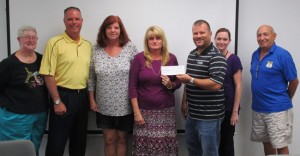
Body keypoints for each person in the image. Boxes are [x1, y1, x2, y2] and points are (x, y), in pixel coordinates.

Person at [39, 6, 92, 156]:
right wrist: (57, 101)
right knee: (57, 143)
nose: (74, 22)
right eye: (70, 19)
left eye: (77, 19)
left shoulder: (88, 45)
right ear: (64, 22)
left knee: (79, 143)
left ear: (82, 21)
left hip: (82, 98)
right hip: (62, 97)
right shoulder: (54, 43)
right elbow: (48, 74)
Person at [88, 15, 138, 156]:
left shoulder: (130, 47)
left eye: (116, 27)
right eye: (109, 27)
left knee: (122, 140)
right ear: (103, 30)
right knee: (109, 140)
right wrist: (91, 100)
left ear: (121, 30)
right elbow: (91, 77)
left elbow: (136, 76)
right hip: (103, 105)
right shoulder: (96, 49)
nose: (113, 30)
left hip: (126, 105)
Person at [176, 20, 227, 156]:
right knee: (192, 149)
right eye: (195, 33)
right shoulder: (191, 55)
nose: (198, 36)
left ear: (210, 34)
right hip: (192, 114)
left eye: (202, 32)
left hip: (209, 117)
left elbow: (216, 84)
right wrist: (184, 102)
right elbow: (188, 82)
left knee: (210, 152)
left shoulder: (217, 57)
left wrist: (191, 79)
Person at [129, 25, 182, 156]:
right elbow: (132, 87)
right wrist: (136, 113)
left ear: (163, 40)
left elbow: (180, 81)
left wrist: (171, 84)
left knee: (164, 149)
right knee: (144, 149)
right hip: (143, 113)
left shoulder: (172, 58)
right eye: (151, 38)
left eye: (158, 38)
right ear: (146, 41)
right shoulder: (139, 59)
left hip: (166, 112)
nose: (154, 41)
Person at [250, 25, 299, 156]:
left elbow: (294, 81)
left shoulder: (282, 55)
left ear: (274, 36)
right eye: (259, 35)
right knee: (267, 143)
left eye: (265, 34)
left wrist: (286, 98)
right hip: (259, 109)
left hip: (278, 110)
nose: (262, 38)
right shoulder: (255, 54)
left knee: (280, 145)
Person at [0, 25, 48, 156]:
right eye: (27, 37)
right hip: (15, 117)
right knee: (16, 151)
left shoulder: (42, 59)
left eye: (34, 37)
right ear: (18, 40)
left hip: (40, 115)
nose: (31, 40)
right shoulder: (8, 63)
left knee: (33, 149)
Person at [214, 28, 243, 156]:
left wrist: (235, 112)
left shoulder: (234, 60)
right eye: (219, 38)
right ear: (214, 39)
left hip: (228, 109)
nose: (221, 42)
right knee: (214, 143)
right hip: (212, 108)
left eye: (225, 39)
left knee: (226, 144)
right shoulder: (211, 57)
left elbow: (238, 86)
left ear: (229, 41)